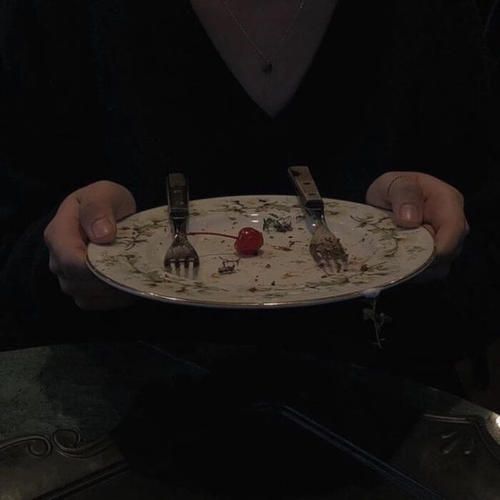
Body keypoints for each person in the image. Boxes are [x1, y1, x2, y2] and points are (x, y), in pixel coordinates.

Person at [0, 0, 493, 392]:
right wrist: (63, 262)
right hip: (116, 428)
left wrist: (440, 248)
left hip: (390, 429)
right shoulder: (57, 15)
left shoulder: (429, 14)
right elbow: (13, 268)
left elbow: (485, 265)